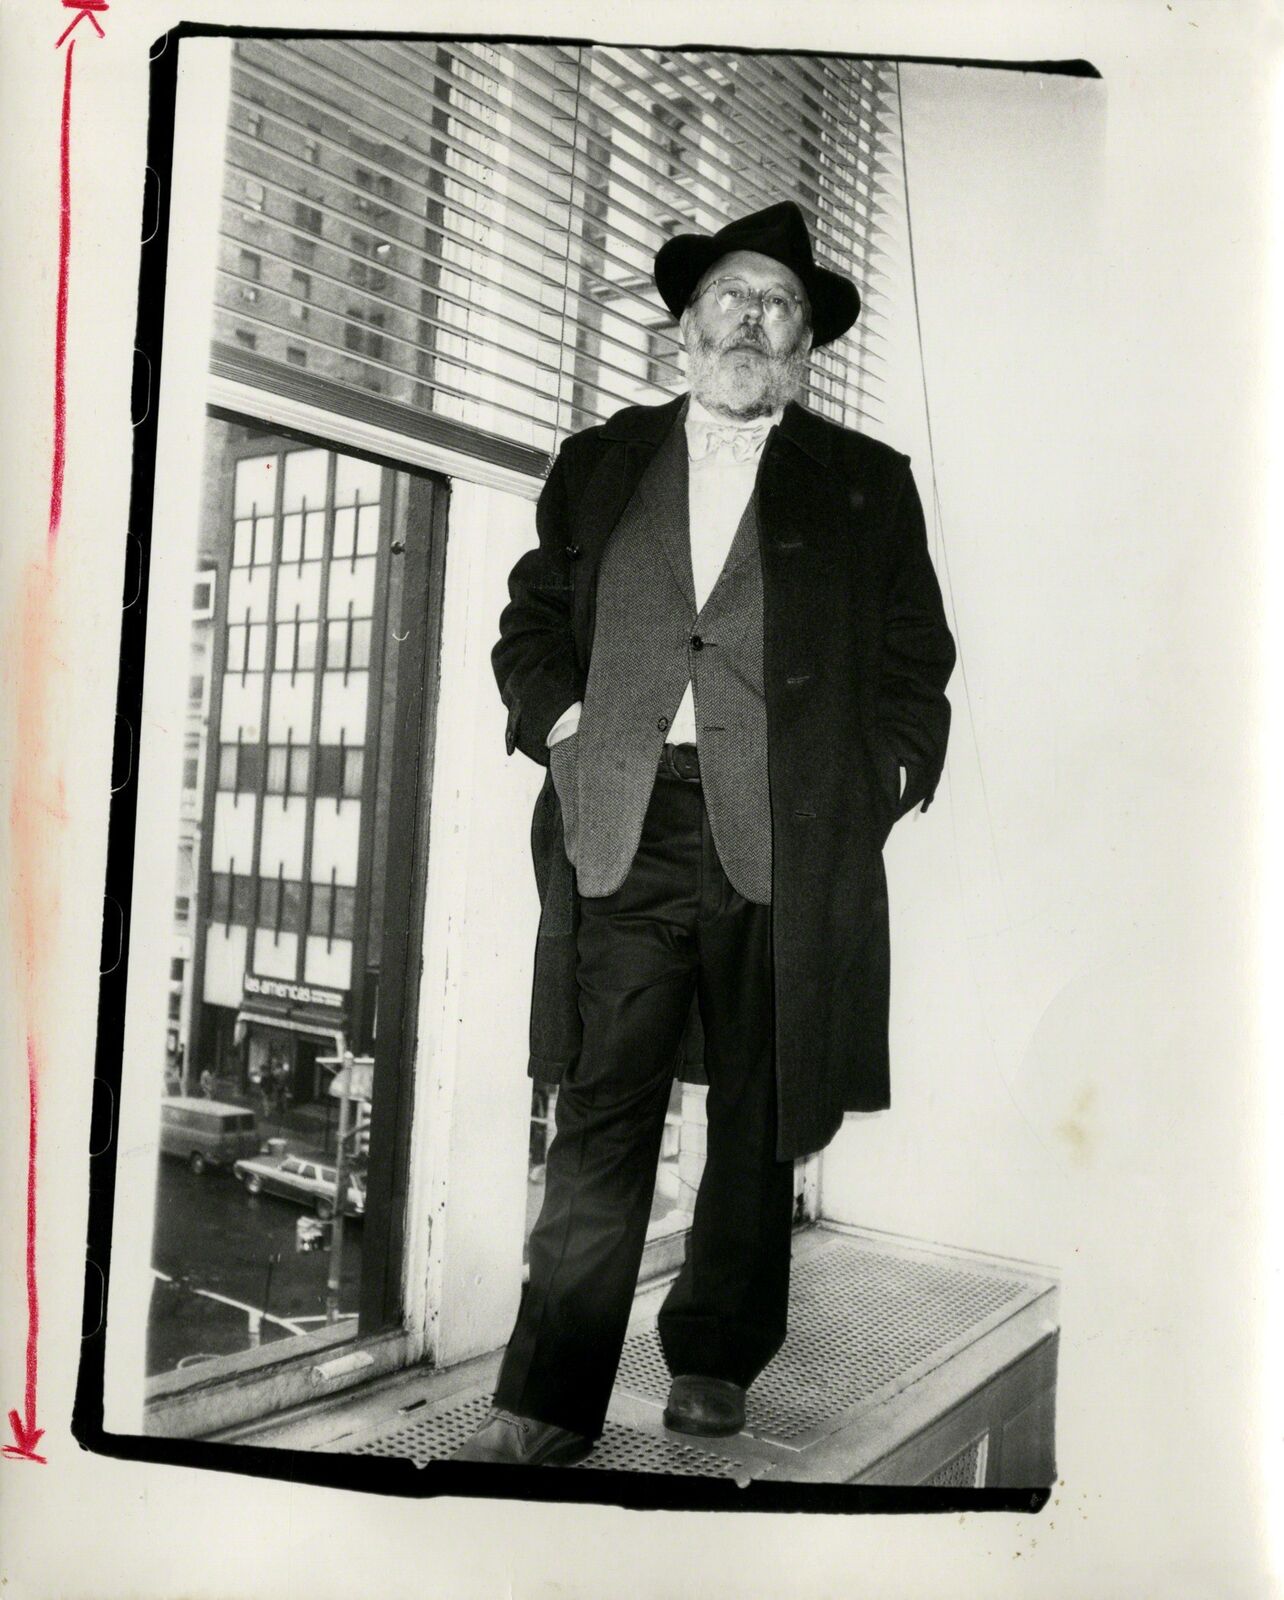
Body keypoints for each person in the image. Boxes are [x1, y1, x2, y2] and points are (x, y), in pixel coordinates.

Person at [453, 202, 956, 1466]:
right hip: (623, 823)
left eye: (779, 304)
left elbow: (917, 661)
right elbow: (530, 626)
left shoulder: (865, 483)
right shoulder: (597, 460)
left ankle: (717, 1355)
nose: (753, 317)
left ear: (805, 346)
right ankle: (549, 1391)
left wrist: (873, 785)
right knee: (601, 1107)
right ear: (683, 328)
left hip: (789, 835)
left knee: (757, 1105)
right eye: (730, 296)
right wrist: (564, 730)